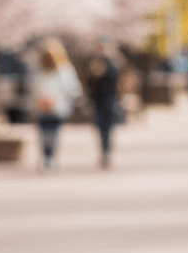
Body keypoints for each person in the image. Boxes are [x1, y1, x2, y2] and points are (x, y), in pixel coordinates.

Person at [31, 37, 81, 172]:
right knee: (44, 135)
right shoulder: (39, 71)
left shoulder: (64, 70)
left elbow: (72, 88)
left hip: (58, 108)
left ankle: (50, 157)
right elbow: (33, 88)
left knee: (53, 134)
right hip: (42, 108)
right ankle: (46, 157)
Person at [88, 39, 123, 169]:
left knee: (108, 128)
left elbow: (119, 81)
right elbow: (91, 82)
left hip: (110, 99)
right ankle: (105, 151)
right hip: (99, 100)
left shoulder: (114, 63)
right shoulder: (96, 63)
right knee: (102, 129)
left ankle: (107, 151)